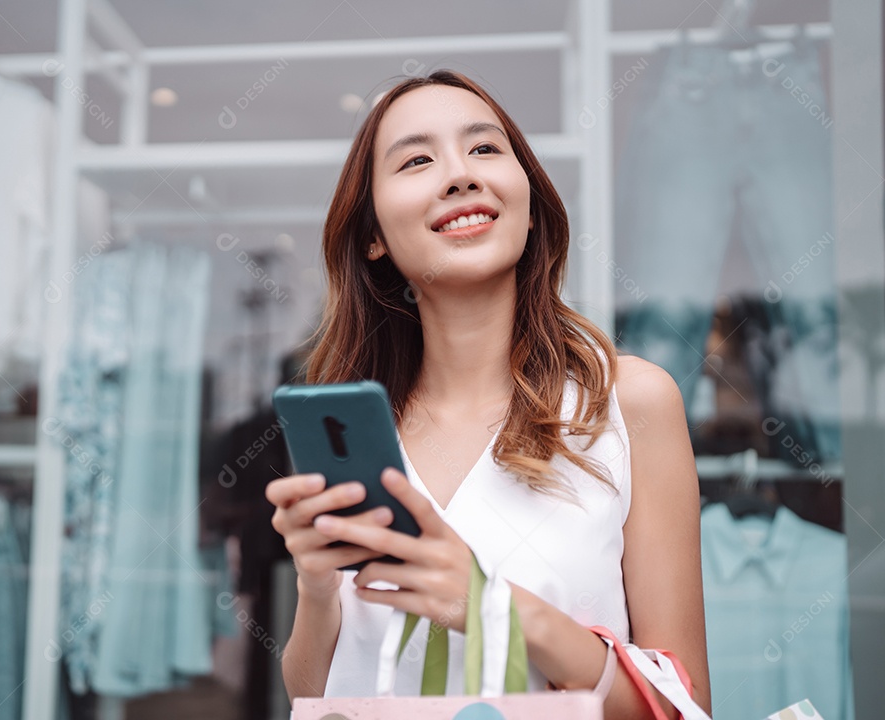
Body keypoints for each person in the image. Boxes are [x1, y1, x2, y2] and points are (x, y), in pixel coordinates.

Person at [265, 69, 711, 719]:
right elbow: (315, 699)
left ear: (528, 205)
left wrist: (490, 608)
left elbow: (681, 710)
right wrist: (315, 587)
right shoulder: (353, 430)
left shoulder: (627, 403)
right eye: (417, 159)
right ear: (373, 236)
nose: (459, 174)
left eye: (484, 149)